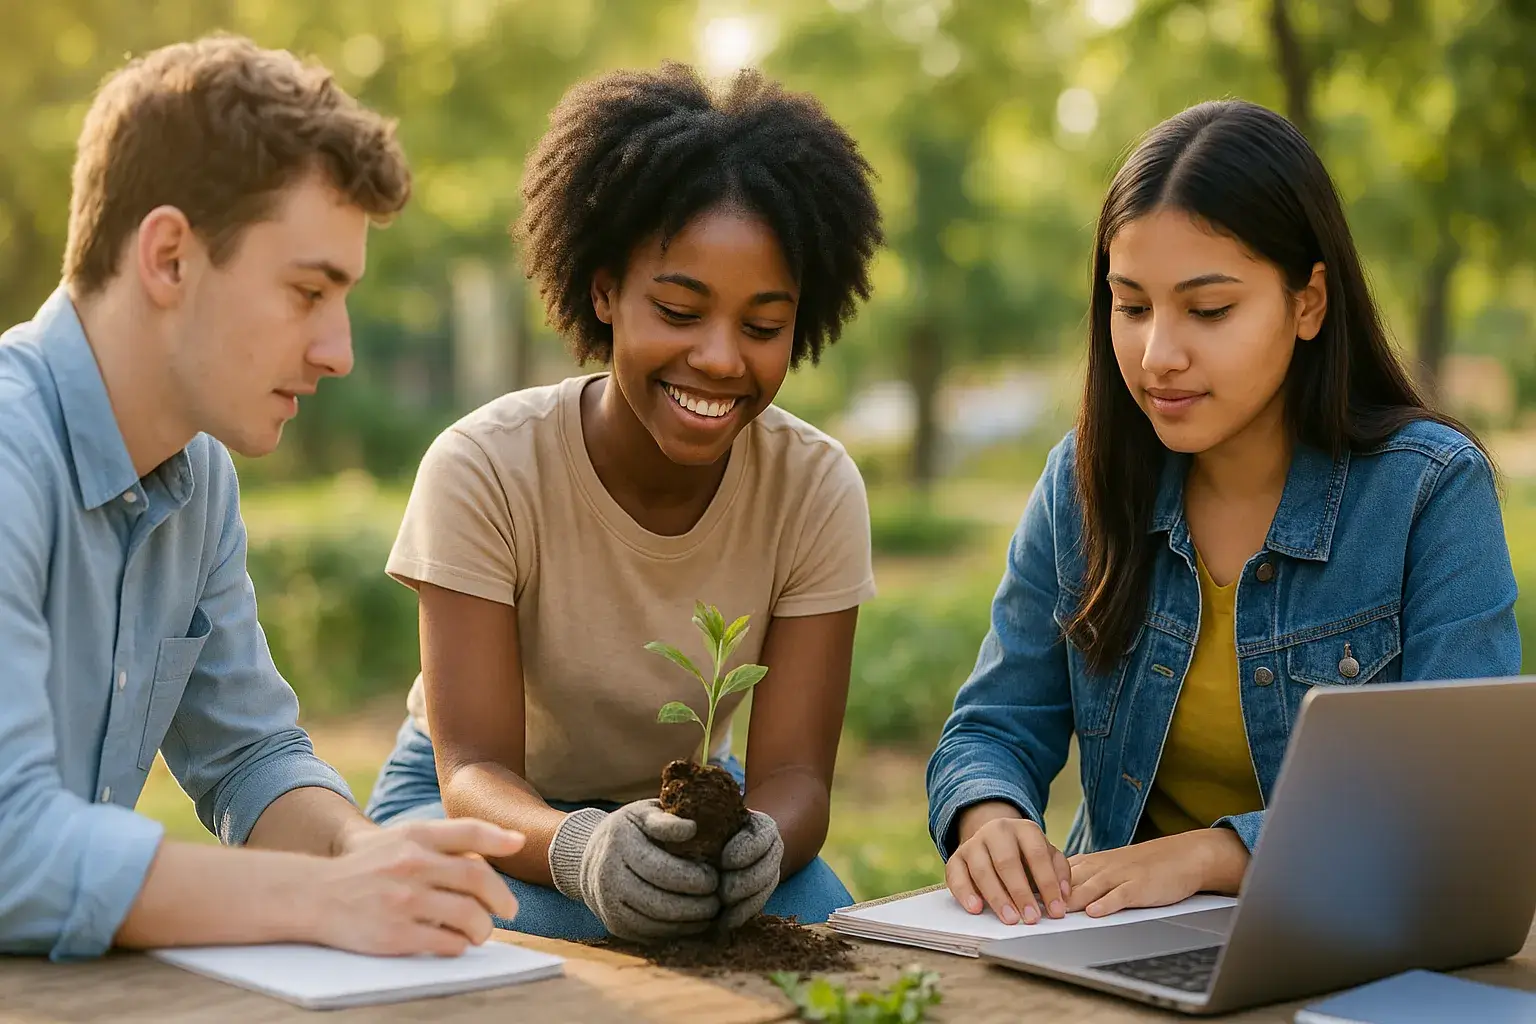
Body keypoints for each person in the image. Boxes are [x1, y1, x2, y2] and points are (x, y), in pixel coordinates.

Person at [925, 99, 1521, 929]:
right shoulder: (1084, 482)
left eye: (1208, 310)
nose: (1158, 354)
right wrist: (988, 818)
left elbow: (1461, 799)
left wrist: (1216, 856)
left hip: (1353, 933)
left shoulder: (1427, 492)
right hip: (1117, 938)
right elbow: (989, 728)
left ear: (1308, 303)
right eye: (1131, 307)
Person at [0, 35, 525, 961]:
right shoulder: (10, 456)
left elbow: (251, 759)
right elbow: (10, 852)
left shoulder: (198, 481)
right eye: (307, 291)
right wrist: (321, 897)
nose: (339, 351)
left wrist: (366, 855)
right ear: (168, 257)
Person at [364, 61, 885, 942]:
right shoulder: (484, 467)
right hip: (485, 821)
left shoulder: (815, 486)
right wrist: (581, 851)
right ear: (604, 291)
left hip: (684, 827)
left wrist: (757, 843)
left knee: (828, 930)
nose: (722, 359)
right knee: (531, 945)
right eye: (680, 311)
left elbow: (795, 775)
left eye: (763, 327)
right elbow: (476, 769)